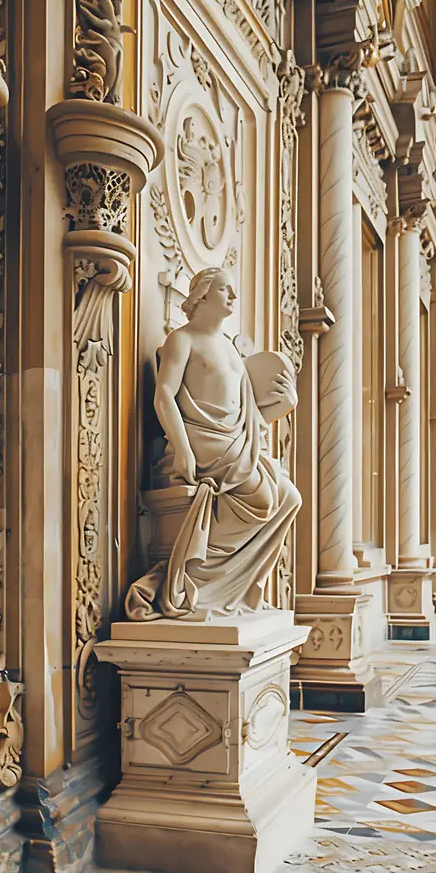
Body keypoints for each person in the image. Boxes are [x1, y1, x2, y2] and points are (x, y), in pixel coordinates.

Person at [125, 266, 301, 620]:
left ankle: (239, 587)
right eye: (226, 290)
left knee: (290, 498)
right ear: (202, 294)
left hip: (234, 441)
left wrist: (287, 405)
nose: (233, 297)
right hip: (201, 441)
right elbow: (164, 396)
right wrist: (183, 449)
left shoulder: (231, 349)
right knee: (265, 496)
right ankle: (190, 577)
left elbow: (248, 413)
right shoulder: (183, 339)